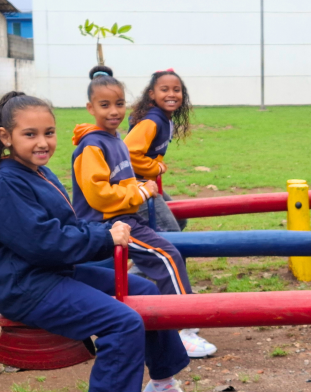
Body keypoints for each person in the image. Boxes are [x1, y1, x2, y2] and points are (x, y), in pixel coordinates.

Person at [0, 92, 206, 392]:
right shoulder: (6, 182)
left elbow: (64, 230)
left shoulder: (37, 172)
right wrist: (105, 237)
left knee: (147, 293)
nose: (42, 142)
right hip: (23, 284)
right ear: (5, 136)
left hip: (50, 270)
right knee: (122, 322)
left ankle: (162, 386)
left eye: (49, 132)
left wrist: (104, 231)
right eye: (30, 134)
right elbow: (44, 242)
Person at [72, 65, 217, 359]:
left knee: (164, 252)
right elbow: (99, 195)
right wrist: (140, 190)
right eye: (105, 105)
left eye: (119, 104)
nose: (114, 111)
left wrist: (140, 188)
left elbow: (121, 179)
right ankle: (182, 328)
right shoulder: (93, 146)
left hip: (123, 216)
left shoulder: (113, 139)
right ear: (90, 108)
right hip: (109, 223)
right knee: (168, 255)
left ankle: (171, 311)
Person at [124, 68, 191, 233]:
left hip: (144, 182)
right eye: (164, 90)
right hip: (133, 185)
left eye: (177, 90)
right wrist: (155, 167)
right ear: (152, 94)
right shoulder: (152, 121)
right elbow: (128, 153)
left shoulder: (164, 118)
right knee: (171, 231)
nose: (171, 94)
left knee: (180, 219)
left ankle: (149, 247)